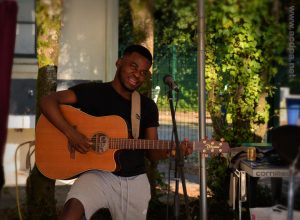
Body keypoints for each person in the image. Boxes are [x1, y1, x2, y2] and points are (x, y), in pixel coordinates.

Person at [39, 44, 192, 220]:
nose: (137, 75)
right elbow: (47, 102)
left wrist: (171, 151)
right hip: (97, 174)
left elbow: (152, 153)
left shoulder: (147, 106)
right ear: (119, 62)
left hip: (135, 179)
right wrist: (71, 133)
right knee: (70, 212)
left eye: (143, 72)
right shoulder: (93, 92)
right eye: (133, 66)